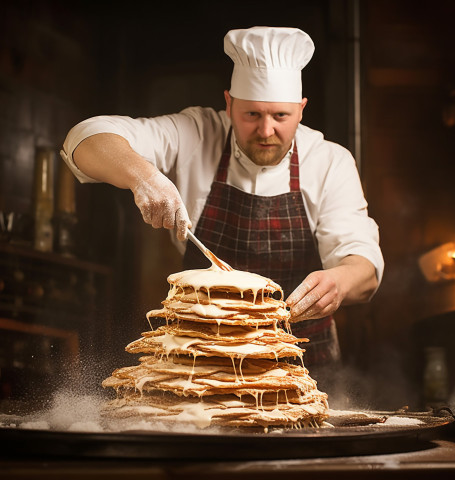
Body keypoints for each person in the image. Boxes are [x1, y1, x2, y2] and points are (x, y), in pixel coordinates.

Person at [60, 26, 384, 372]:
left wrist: (340, 281)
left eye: (281, 116)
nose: (266, 131)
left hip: (301, 365)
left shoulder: (330, 161)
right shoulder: (197, 133)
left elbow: (363, 264)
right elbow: (85, 138)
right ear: (229, 104)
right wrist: (144, 176)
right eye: (252, 115)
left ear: (301, 109)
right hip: (201, 358)